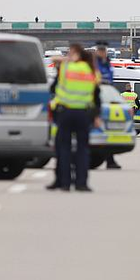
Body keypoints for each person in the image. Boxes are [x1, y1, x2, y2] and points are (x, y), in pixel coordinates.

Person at [47, 45, 99, 192]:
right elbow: (96, 93)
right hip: (83, 113)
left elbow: (53, 87)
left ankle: (64, 183)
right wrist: (95, 115)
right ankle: (81, 183)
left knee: (64, 149)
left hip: (66, 112)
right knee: (83, 149)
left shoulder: (66, 68)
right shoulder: (90, 70)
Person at [94, 42, 121, 170]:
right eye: (99, 50)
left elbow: (110, 80)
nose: (101, 52)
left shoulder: (107, 63)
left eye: (103, 50)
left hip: (107, 98)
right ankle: (107, 159)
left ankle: (110, 160)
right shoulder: (95, 64)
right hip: (96, 99)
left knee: (108, 131)